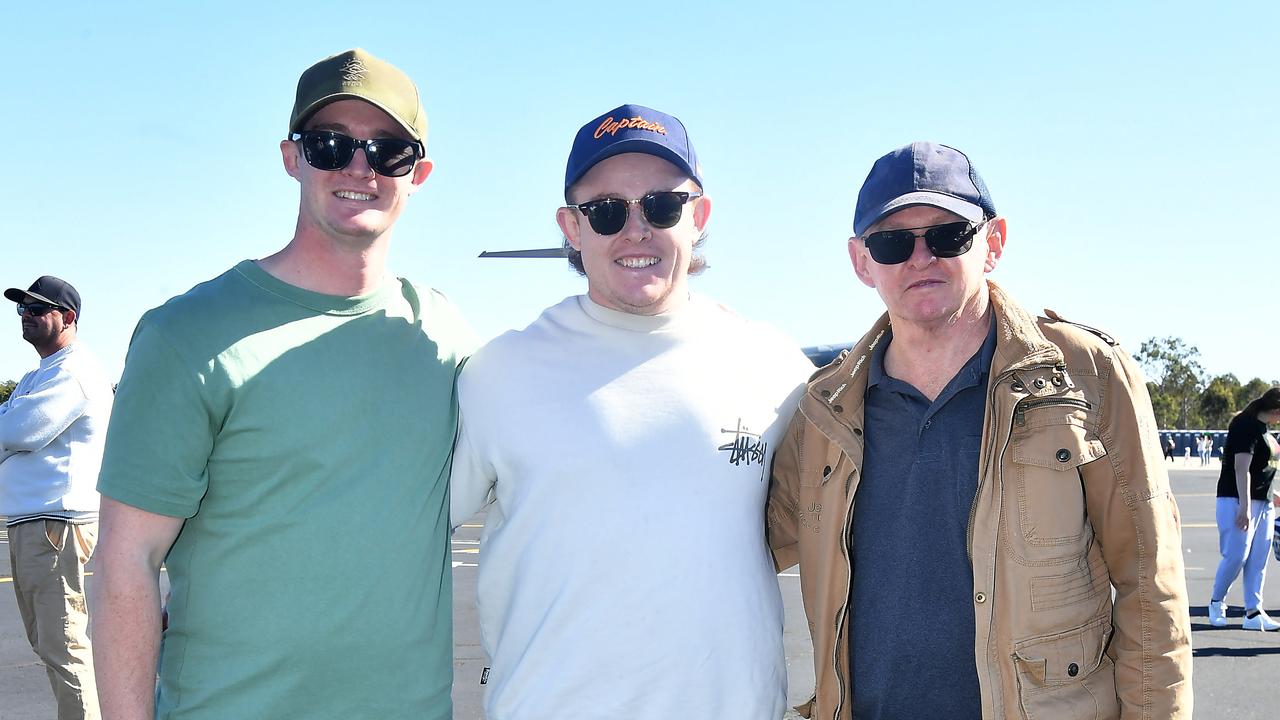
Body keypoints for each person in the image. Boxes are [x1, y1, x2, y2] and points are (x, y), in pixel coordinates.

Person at [91, 49, 471, 720]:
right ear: (292, 157)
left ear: (420, 174)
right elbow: (127, 562)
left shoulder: (443, 336)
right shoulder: (186, 335)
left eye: (388, 151)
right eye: (331, 144)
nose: (359, 168)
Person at [766, 142, 1192, 719]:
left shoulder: (1084, 374)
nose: (920, 259)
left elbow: (1151, 584)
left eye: (948, 235)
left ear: (993, 243)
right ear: (861, 262)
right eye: (892, 242)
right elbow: (735, 548)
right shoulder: (824, 410)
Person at [449, 103, 814, 719]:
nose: (635, 230)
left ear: (698, 216)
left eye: (662, 206)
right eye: (606, 211)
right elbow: (405, 538)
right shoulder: (498, 375)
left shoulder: (775, 368)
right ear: (572, 227)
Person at [1, 276, 113, 720]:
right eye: (21, 309)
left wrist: (9, 423)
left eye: (36, 309)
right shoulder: (37, 374)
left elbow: (17, 431)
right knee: (50, 643)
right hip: (35, 523)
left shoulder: (75, 371)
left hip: (56, 523)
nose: (25, 316)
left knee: (64, 645)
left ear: (68, 317)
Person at [1206, 387, 1280, 630]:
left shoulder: (1264, 429)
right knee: (1236, 556)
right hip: (1236, 500)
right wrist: (1245, 507)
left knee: (1258, 559)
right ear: (1276, 410)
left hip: (1263, 502)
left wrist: (1271, 494)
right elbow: (1241, 469)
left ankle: (1253, 612)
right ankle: (1217, 603)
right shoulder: (1244, 425)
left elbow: (1261, 468)